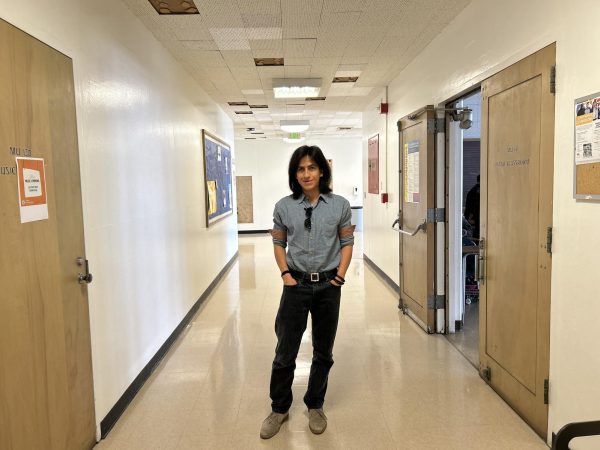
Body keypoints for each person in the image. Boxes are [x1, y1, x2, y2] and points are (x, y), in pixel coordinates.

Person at [260, 145, 354, 439]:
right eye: (300, 169)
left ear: (322, 171)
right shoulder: (283, 206)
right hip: (296, 285)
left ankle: (315, 404)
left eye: (312, 168)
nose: (306, 174)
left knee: (323, 351)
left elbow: (346, 244)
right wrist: (285, 274)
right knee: (285, 350)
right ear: (294, 174)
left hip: (329, 286)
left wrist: (339, 277)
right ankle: (279, 409)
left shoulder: (340, 205)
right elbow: (279, 243)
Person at [464, 175, 480, 239]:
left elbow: (468, 206)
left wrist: (468, 217)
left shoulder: (472, 191)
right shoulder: (481, 191)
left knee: (476, 236)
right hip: (477, 218)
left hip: (473, 219)